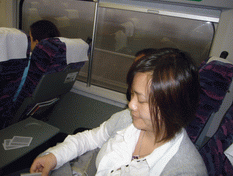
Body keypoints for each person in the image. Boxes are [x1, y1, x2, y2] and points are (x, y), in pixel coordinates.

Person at [30, 48, 207, 175]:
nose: (131, 105)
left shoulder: (186, 170)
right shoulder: (127, 119)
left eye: (142, 100)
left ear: (172, 107)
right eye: (132, 94)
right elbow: (89, 138)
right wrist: (53, 156)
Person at [13, 20, 60, 102]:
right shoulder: (58, 61)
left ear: (37, 42)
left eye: (29, 37)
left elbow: (15, 92)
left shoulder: (28, 64)